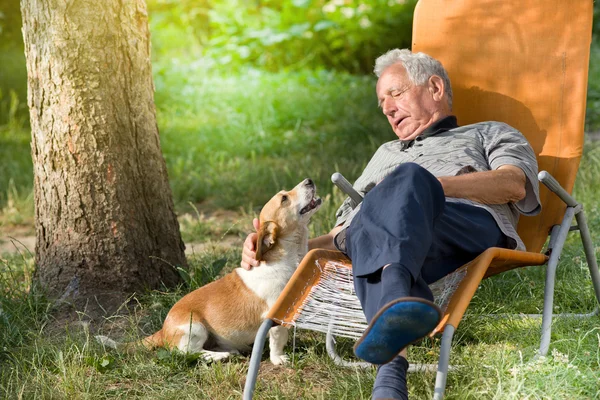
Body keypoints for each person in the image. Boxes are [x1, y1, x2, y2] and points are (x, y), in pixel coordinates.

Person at [241, 49, 541, 400]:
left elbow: (513, 184)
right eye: (382, 103)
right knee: (368, 226)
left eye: (395, 94)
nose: (387, 108)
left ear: (435, 88)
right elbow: (343, 235)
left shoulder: (489, 133)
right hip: (380, 240)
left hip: (460, 225)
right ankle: (391, 367)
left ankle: (394, 323)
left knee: (406, 181)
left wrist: (430, 185)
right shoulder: (385, 152)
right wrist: (273, 248)